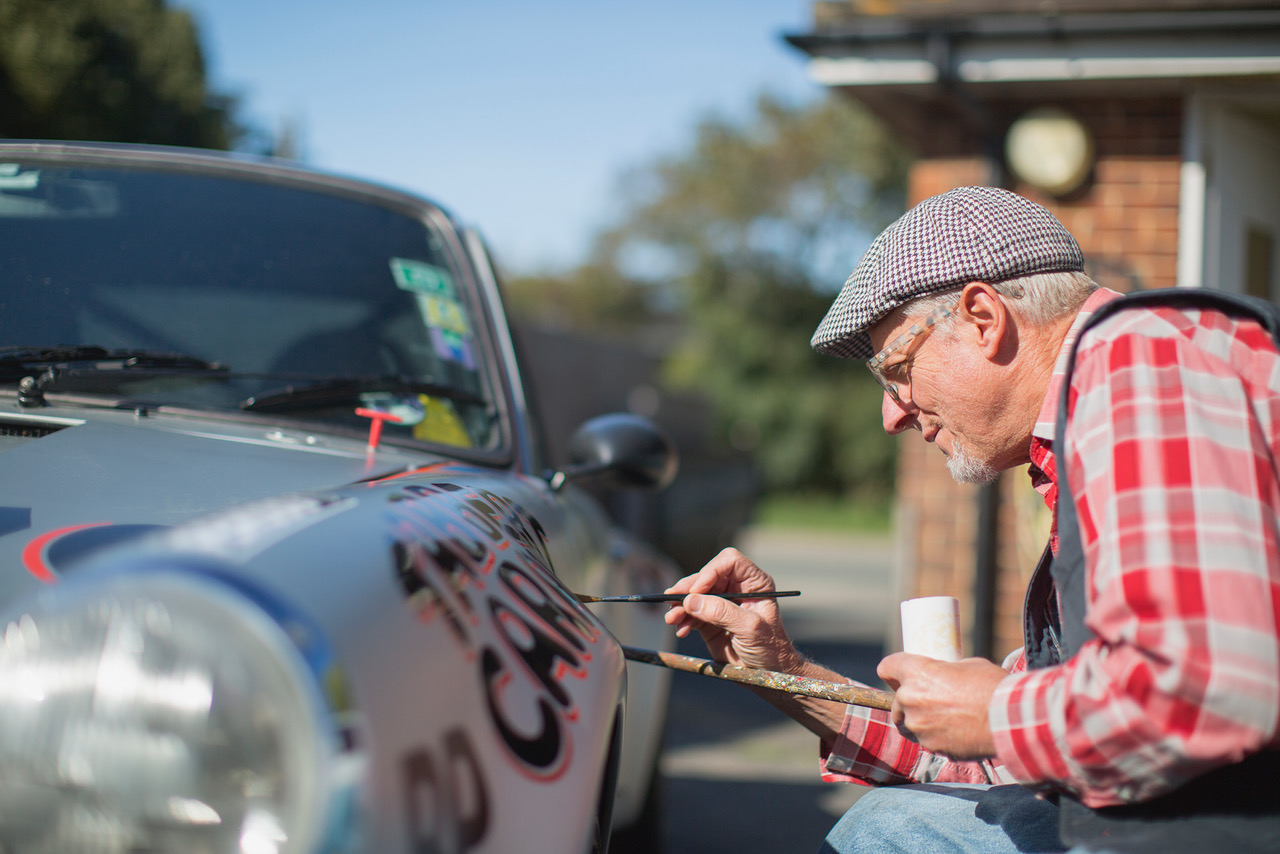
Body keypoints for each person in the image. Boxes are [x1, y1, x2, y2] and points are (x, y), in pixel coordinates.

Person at [663, 186, 1280, 853]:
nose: (892, 414)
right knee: (901, 824)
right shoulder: (1100, 416)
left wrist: (995, 712)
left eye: (896, 369)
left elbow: (1207, 696)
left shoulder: (1138, 362)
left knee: (894, 835)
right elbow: (999, 760)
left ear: (983, 317)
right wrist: (780, 669)